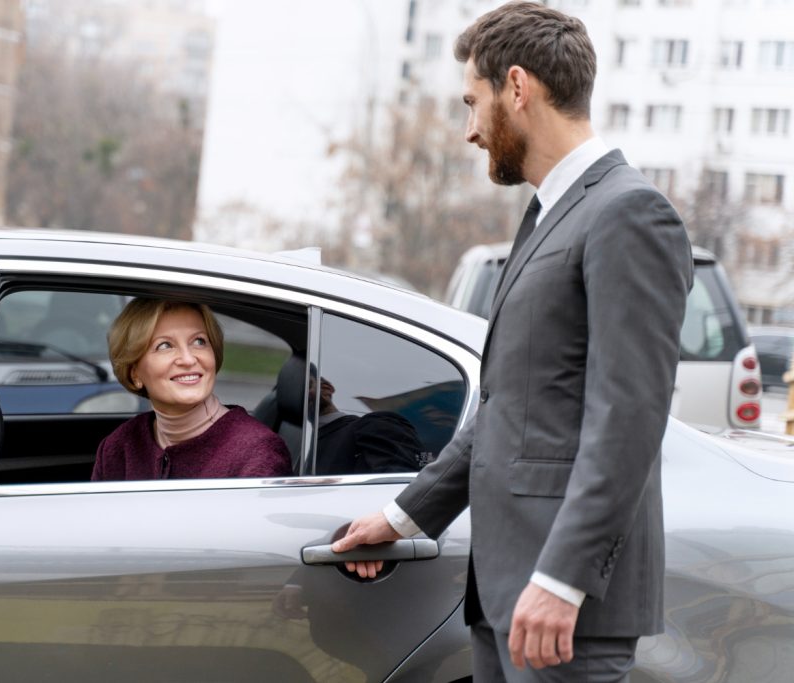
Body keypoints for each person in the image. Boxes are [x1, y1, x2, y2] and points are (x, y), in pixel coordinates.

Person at [332, 2, 693, 681]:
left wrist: (563, 576)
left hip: (564, 608)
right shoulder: (552, 213)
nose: (470, 129)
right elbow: (512, 408)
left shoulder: (627, 212)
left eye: (474, 102)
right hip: (504, 596)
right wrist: (404, 516)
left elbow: (630, 418)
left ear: (518, 88)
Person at [91, 298, 291, 480]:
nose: (188, 359)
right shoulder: (119, 447)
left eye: (199, 341)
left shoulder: (257, 453)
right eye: (164, 346)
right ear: (135, 374)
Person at [313, 377, 425, 475]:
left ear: (326, 388)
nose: (295, 393)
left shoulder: (375, 426)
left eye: (303, 385)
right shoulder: (301, 449)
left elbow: (400, 489)